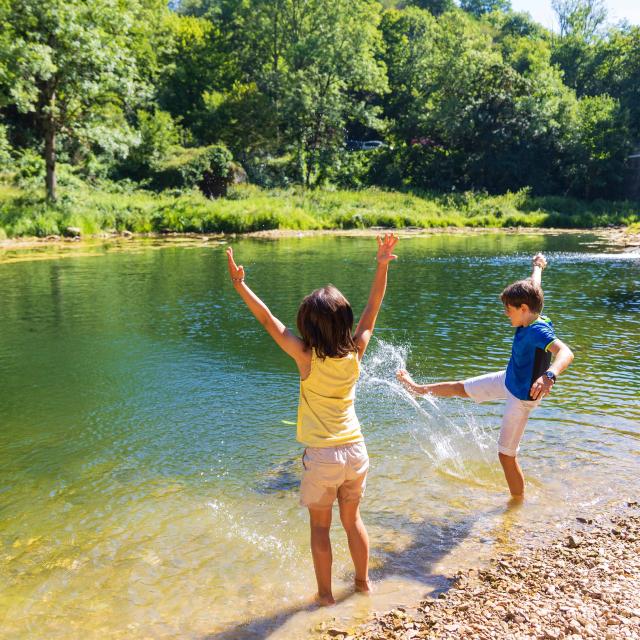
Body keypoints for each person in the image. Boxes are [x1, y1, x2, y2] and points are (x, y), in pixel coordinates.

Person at [226, 234, 399, 606]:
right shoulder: (356, 350)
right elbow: (374, 304)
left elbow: (268, 321)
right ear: (344, 322)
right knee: (353, 521)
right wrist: (382, 264)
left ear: (307, 326)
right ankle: (363, 585)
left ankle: (325, 597)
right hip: (356, 451)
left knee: (321, 528)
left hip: (322, 457)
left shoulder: (306, 357)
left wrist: (242, 285)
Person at [396, 253, 574, 500]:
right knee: (461, 387)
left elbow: (566, 352)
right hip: (510, 378)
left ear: (523, 309)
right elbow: (535, 287)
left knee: (506, 455)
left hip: (522, 396)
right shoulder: (532, 310)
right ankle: (417, 388)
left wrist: (549, 376)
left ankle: (516, 506)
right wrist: (538, 266)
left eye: (508, 310)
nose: (505, 314)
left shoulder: (538, 331)